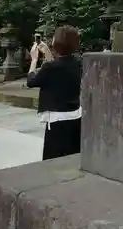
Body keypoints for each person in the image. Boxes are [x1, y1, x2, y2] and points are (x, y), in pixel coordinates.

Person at [27, 25, 82, 161]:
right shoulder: (77, 63)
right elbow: (60, 66)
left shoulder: (50, 68)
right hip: (75, 118)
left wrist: (34, 60)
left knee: (54, 160)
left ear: (55, 42)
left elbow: (31, 81)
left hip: (57, 121)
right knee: (72, 157)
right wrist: (47, 54)